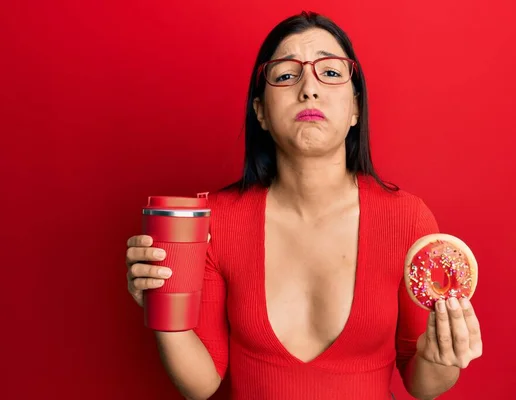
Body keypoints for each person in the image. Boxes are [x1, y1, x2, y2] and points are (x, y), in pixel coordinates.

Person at [125, 11, 482, 400]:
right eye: (285, 75)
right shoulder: (215, 220)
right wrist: (162, 308)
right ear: (260, 111)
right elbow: (201, 383)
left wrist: (443, 353)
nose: (308, 89)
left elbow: (422, 384)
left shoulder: (409, 220)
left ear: (356, 109)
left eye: (330, 73)